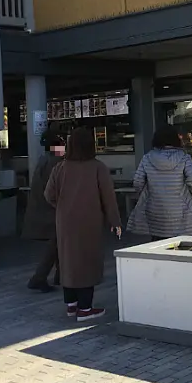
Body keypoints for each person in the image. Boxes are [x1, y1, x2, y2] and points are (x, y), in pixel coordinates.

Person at [44, 127, 121, 322]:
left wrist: (63, 206)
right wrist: (114, 221)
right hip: (89, 221)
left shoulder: (60, 167)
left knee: (68, 260)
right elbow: (108, 198)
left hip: (65, 221)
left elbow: (48, 195)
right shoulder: (97, 167)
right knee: (88, 261)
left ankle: (71, 305)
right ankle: (85, 309)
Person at [128, 124, 192, 242]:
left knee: (158, 244)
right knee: (181, 245)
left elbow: (138, 182)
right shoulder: (184, 157)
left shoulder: (147, 158)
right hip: (181, 208)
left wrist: (145, 195)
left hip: (154, 208)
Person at [22, 129, 66, 292]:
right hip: (52, 209)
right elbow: (56, 189)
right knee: (56, 243)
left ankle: (60, 275)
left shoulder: (44, 160)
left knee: (58, 242)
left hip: (43, 208)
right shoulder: (56, 163)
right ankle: (40, 277)